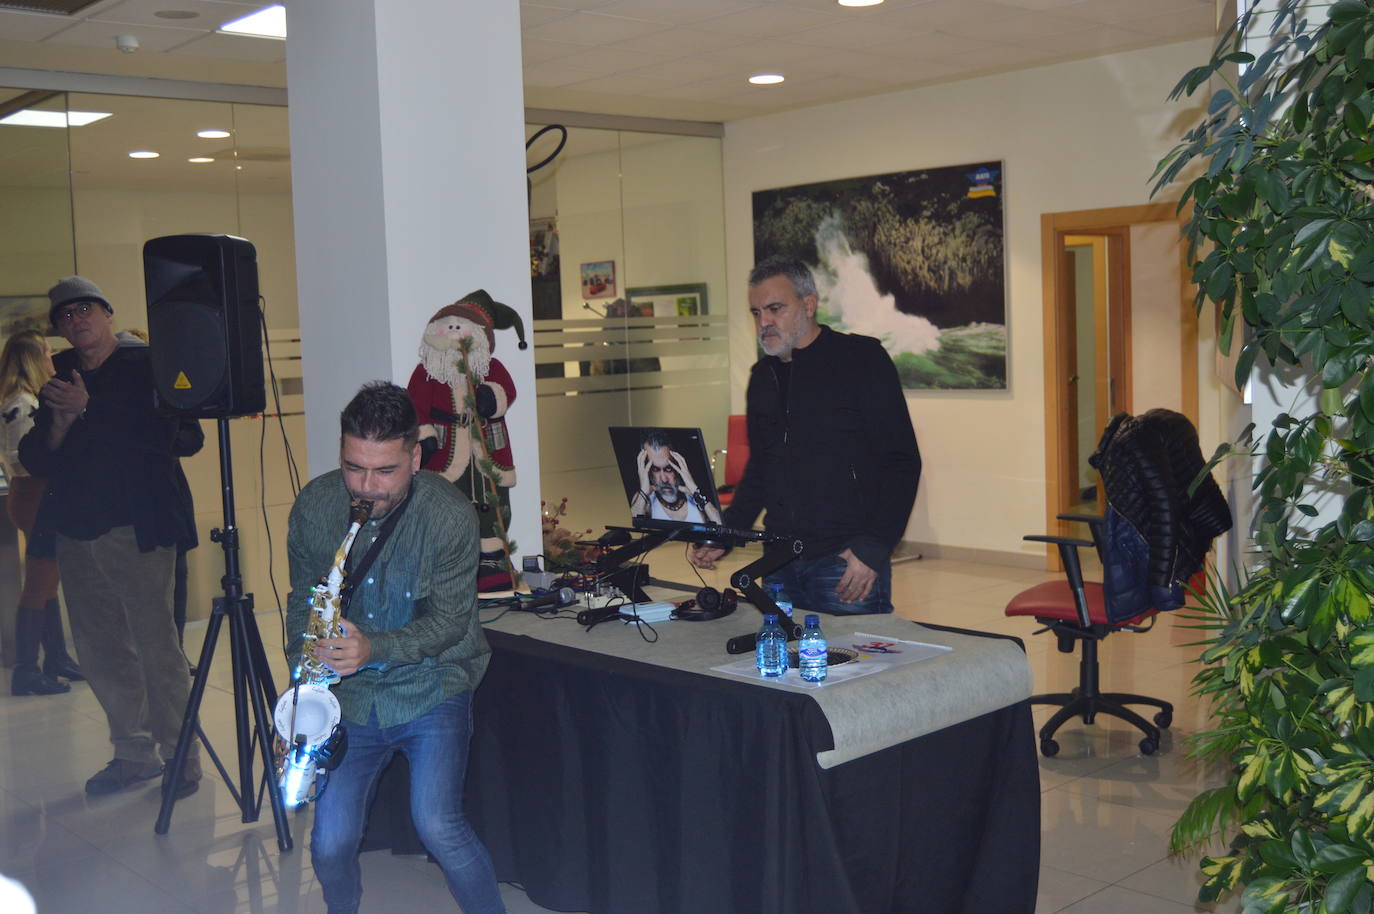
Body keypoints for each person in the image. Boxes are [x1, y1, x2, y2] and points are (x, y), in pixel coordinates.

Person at [286, 381, 505, 914]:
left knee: (439, 825)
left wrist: (374, 647)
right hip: (349, 697)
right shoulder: (317, 505)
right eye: (353, 467)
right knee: (329, 842)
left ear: (415, 456)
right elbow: (301, 599)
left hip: (432, 684)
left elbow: (453, 623)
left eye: (385, 471)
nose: (366, 486)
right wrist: (304, 665)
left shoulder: (450, 516)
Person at [18, 276, 204, 797]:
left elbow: (185, 437)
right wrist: (58, 422)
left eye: (85, 310)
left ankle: (180, 756)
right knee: (100, 650)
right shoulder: (62, 374)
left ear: (107, 313)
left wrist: (90, 410)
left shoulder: (148, 364)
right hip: (76, 531)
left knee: (155, 647)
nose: (76, 320)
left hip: (139, 527)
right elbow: (37, 456)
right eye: (65, 316)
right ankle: (132, 753)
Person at [690, 256, 921, 614]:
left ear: (809, 305)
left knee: (857, 667)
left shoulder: (861, 360)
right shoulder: (762, 376)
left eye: (775, 308)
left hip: (845, 559)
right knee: (782, 665)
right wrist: (727, 534)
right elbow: (760, 469)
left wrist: (873, 548)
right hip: (778, 560)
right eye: (755, 312)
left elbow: (902, 461)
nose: (764, 321)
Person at [0, 329, 82, 695]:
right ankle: (26, 669)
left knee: (47, 580)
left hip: (33, 494)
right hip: (34, 494)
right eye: (47, 352)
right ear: (34, 358)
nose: (53, 358)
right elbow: (25, 459)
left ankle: (56, 658)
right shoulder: (22, 404)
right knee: (39, 582)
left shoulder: (22, 400)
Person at [629, 429, 722, 524]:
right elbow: (634, 525)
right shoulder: (644, 499)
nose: (664, 479)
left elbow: (720, 526)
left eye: (668, 469)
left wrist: (695, 490)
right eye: (655, 469)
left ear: (678, 465)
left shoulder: (695, 497)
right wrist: (643, 491)